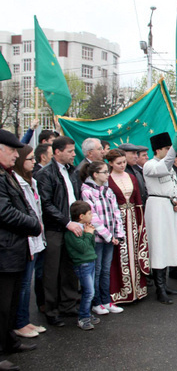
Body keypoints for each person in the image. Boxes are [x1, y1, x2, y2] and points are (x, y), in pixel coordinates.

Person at [0, 130, 41, 371]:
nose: (17, 155)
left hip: (14, 248)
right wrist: (34, 224)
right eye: (13, 150)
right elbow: (4, 212)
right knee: (2, 305)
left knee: (12, 302)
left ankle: (9, 341)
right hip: (4, 250)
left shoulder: (7, 174)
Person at [34, 136, 80, 327]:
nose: (74, 154)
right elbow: (46, 204)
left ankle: (69, 304)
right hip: (55, 229)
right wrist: (66, 222)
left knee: (69, 269)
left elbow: (75, 196)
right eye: (70, 151)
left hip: (72, 226)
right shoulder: (46, 174)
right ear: (57, 152)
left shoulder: (71, 171)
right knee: (52, 271)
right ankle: (52, 310)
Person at [80, 161, 125, 315]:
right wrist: (108, 235)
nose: (108, 175)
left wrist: (119, 233)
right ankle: (96, 302)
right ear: (95, 174)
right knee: (97, 270)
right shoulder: (87, 191)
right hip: (98, 239)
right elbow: (92, 217)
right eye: (105, 172)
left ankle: (106, 300)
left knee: (106, 270)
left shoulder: (108, 190)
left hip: (111, 237)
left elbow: (116, 212)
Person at [107, 149, 150, 303]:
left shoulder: (131, 177)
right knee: (119, 254)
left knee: (134, 251)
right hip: (117, 220)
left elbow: (138, 201)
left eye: (124, 162)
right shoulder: (108, 179)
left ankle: (137, 289)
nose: (122, 165)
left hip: (132, 218)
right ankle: (121, 291)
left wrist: (140, 222)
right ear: (110, 163)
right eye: (119, 163)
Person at [143, 133, 177, 304]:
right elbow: (163, 169)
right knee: (158, 245)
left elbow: (175, 185)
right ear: (158, 150)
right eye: (167, 149)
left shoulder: (169, 167)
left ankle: (164, 285)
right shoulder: (149, 165)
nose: (169, 152)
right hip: (157, 206)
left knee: (168, 244)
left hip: (168, 206)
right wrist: (176, 146)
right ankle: (159, 289)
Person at [12, 145, 46, 338]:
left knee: (26, 283)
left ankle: (24, 320)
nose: (34, 162)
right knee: (24, 284)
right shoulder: (16, 182)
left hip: (35, 237)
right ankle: (20, 322)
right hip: (27, 239)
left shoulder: (31, 180)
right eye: (30, 159)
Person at [64, 201, 100, 331]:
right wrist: (88, 234)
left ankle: (87, 314)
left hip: (90, 261)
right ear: (81, 216)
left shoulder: (85, 227)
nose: (91, 215)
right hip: (82, 264)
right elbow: (83, 248)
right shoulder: (73, 232)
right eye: (89, 213)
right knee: (89, 291)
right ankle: (83, 318)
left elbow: (91, 246)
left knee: (90, 291)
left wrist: (90, 233)